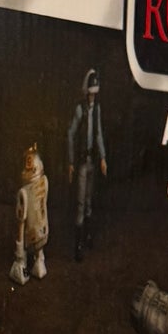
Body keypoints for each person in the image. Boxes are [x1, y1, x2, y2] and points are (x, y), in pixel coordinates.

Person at [67, 68, 107, 260]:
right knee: (81, 203)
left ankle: (88, 236)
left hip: (92, 161)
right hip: (82, 163)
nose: (92, 97)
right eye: (90, 94)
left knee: (89, 201)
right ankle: (78, 245)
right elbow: (70, 134)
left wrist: (103, 157)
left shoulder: (97, 110)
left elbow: (98, 134)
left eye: (95, 94)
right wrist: (71, 161)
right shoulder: (80, 109)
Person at [11, 143, 50, 286]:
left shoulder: (25, 192)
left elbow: (21, 222)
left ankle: (24, 263)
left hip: (34, 229)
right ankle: (38, 260)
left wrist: (19, 254)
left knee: (24, 227)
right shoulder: (44, 182)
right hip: (42, 229)